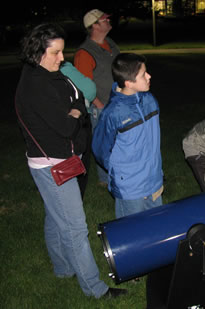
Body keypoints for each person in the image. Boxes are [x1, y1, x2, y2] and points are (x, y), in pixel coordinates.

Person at [15, 23, 126, 299]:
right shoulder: (35, 86)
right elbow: (66, 126)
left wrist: (75, 108)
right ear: (37, 52)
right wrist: (77, 111)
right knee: (75, 227)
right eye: (56, 53)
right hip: (53, 164)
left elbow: (78, 95)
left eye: (62, 52)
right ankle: (95, 289)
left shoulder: (46, 73)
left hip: (60, 158)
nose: (61, 58)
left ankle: (63, 268)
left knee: (56, 217)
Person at [92, 53, 163, 219]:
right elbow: (100, 149)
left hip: (153, 180)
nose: (149, 76)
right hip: (130, 187)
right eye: (143, 74)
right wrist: (123, 173)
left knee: (157, 228)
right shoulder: (114, 113)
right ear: (129, 83)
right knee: (133, 233)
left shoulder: (150, 101)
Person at [74, 9, 120, 185]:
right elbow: (84, 86)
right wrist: (99, 105)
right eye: (104, 19)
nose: (108, 19)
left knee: (119, 141)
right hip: (100, 106)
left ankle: (118, 172)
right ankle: (104, 179)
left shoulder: (111, 44)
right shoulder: (84, 53)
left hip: (117, 102)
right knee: (104, 143)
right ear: (94, 26)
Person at [60, 61, 96, 198]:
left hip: (71, 124)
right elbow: (90, 89)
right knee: (75, 167)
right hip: (71, 127)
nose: (62, 57)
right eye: (56, 52)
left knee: (78, 166)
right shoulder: (63, 70)